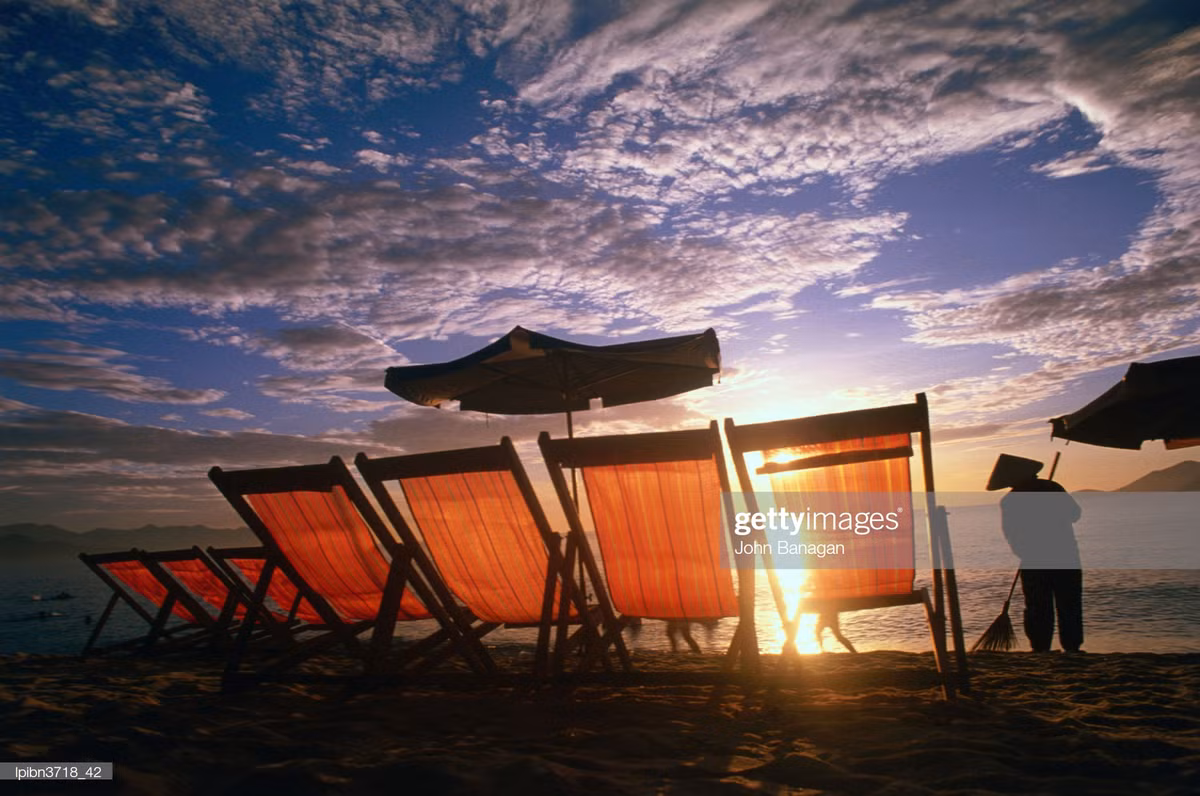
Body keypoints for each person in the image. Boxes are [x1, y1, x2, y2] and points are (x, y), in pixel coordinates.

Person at [987, 454, 1084, 653]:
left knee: (1038, 606)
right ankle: (1072, 647)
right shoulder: (1052, 488)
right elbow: (1074, 514)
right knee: (1069, 603)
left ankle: (1040, 647)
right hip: (1065, 554)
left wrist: (1024, 552)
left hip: (1034, 558)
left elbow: (1011, 534)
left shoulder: (1010, 500)